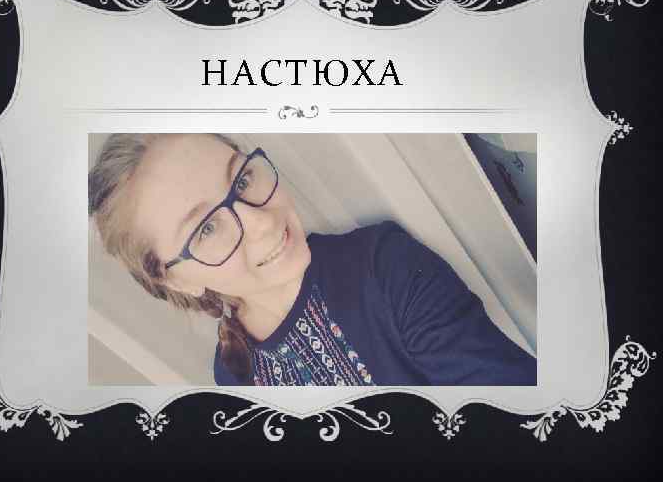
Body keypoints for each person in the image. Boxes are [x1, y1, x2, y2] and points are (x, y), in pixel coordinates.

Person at [88, 133, 536, 386]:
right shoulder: (231, 378)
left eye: (241, 181)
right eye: (206, 228)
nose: (263, 223)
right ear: (176, 280)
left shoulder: (384, 269)